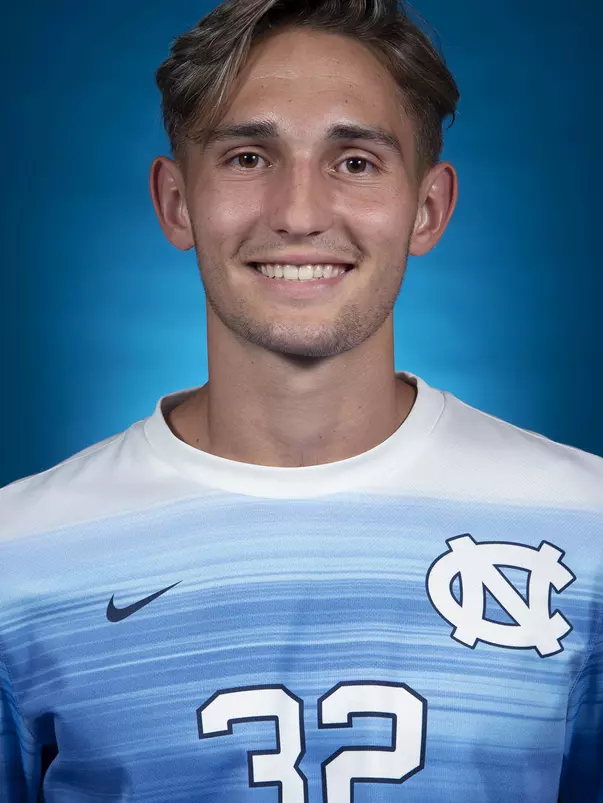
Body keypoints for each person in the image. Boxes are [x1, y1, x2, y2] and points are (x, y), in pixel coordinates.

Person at [0, 0, 601, 800]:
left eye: (355, 162)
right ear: (176, 201)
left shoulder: (586, 530)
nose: (298, 214)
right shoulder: (22, 558)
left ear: (428, 208)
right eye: (248, 157)